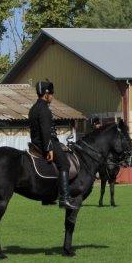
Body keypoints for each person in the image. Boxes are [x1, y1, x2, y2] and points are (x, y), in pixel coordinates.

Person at [29, 80, 77, 210]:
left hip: (36, 143)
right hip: (46, 142)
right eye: (51, 94)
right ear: (46, 94)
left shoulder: (33, 108)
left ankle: (48, 196)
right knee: (64, 164)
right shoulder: (44, 109)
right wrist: (49, 148)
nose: (52, 96)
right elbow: (46, 131)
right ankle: (65, 198)